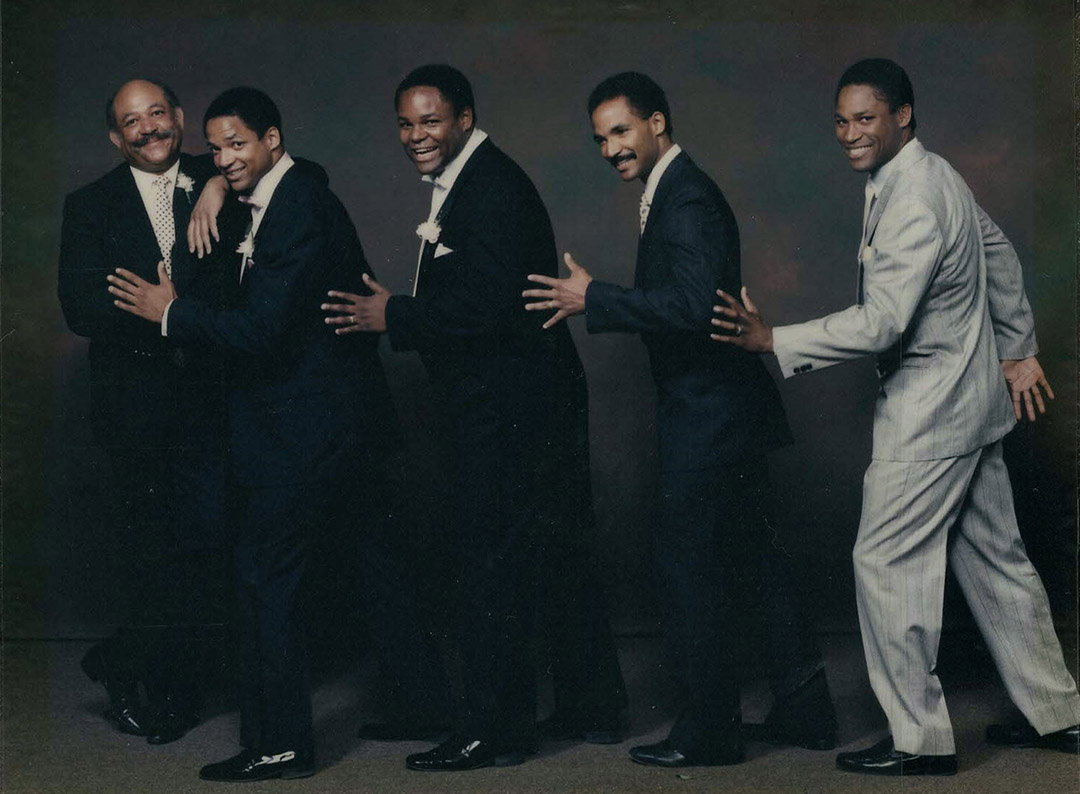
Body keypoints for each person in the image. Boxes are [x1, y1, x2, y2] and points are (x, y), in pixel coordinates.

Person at [712, 58, 1080, 776]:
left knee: (883, 563)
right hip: (975, 408)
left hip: (932, 418)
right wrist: (1016, 349)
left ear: (903, 115)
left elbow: (883, 323)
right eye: (842, 121)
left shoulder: (914, 195)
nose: (850, 133)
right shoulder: (935, 173)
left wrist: (771, 340)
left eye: (866, 118)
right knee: (997, 563)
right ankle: (1060, 715)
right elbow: (997, 251)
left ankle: (920, 740)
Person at [523, 71, 836, 768]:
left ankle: (709, 731)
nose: (611, 149)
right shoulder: (673, 190)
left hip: (711, 418)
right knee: (752, 559)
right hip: (728, 413)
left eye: (622, 131)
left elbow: (695, 308)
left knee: (688, 568)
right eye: (601, 138)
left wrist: (593, 297)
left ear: (657, 124)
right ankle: (808, 709)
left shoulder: (685, 196)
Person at [324, 64, 626, 770]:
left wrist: (390, 313)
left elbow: (491, 308)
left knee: (492, 564)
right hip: (527, 401)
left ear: (463, 118)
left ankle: (496, 731)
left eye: (429, 121)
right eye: (404, 123)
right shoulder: (476, 178)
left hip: (513, 409)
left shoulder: (490, 187)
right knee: (553, 555)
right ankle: (595, 706)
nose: (415, 136)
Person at [107, 86, 398, 782]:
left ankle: (282, 745)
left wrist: (170, 313)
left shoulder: (296, 201)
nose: (228, 158)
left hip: (299, 430)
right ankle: (384, 715)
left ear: (272, 139)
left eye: (239, 144)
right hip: (294, 426)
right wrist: (214, 182)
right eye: (217, 147)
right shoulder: (275, 189)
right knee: (301, 577)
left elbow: (265, 330)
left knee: (268, 582)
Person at [58, 78, 233, 746]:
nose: (148, 128)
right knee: (157, 551)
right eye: (131, 121)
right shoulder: (89, 205)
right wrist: (167, 322)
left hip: (216, 404)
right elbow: (81, 308)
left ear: (181, 119)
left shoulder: (222, 169)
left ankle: (126, 662)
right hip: (136, 410)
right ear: (114, 137)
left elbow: (307, 174)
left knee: (209, 544)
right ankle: (167, 692)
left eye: (157, 113)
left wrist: (216, 182)